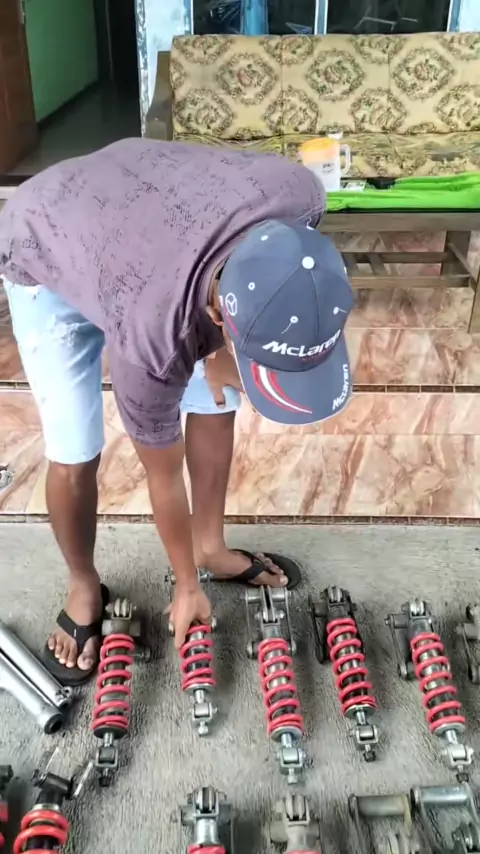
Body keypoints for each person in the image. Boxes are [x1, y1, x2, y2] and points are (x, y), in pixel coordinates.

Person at [0, 139, 354, 686]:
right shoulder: (154, 339)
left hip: (146, 209)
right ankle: (83, 584)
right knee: (74, 451)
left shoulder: (300, 196)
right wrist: (185, 587)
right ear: (217, 310)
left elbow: (228, 271)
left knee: (218, 396)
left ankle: (211, 547)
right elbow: (161, 475)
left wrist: (221, 351)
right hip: (49, 238)